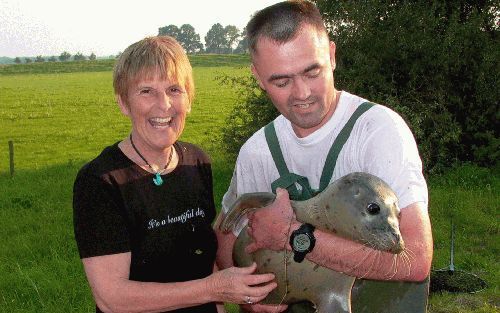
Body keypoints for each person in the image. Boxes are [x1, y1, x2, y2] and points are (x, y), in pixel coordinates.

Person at [214, 1, 433, 313]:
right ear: (258, 77)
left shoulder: (377, 131)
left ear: (331, 56)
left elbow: (416, 260)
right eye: (281, 81)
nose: (302, 93)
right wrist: (249, 299)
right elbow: (226, 239)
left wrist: (294, 236)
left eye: (312, 71)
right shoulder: (258, 150)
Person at [73, 36, 279, 313]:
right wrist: (213, 288)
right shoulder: (102, 181)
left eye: (174, 89)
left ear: (189, 99)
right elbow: (112, 298)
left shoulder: (196, 163)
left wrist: (237, 298)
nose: (164, 105)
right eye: (146, 91)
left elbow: (205, 261)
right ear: (124, 103)